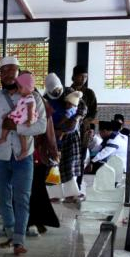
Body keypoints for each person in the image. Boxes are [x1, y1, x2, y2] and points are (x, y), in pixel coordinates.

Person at [0, 56, 46, 255]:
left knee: (22, 197)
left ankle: (19, 241)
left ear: (19, 73)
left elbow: (40, 126)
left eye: (10, 70)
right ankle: (10, 234)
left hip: (24, 157)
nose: (6, 74)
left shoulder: (34, 98)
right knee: (4, 197)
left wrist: (18, 127)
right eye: (2, 71)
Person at [45, 74, 86, 204]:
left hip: (70, 136)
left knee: (69, 165)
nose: (57, 93)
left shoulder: (69, 92)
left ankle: (71, 194)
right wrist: (54, 130)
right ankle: (54, 194)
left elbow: (83, 107)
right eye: (54, 92)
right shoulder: (44, 99)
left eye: (58, 90)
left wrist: (76, 118)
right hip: (53, 136)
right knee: (53, 165)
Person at [30, 88, 61, 235]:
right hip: (34, 155)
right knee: (35, 189)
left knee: (35, 190)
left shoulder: (40, 105)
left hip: (36, 155)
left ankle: (36, 220)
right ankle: (37, 220)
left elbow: (49, 132)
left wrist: (54, 152)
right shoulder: (28, 102)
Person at [0, 72, 37, 160]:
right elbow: (16, 107)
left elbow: (30, 109)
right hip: (19, 116)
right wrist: (8, 114)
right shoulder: (23, 97)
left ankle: (24, 150)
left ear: (28, 88)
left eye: (20, 87)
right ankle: (3, 137)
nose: (18, 90)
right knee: (6, 121)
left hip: (25, 117)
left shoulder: (30, 98)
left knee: (21, 133)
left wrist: (29, 120)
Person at [71, 65, 98, 148]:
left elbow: (94, 111)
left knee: (83, 150)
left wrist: (87, 121)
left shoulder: (90, 93)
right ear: (74, 76)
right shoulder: (68, 91)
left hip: (84, 128)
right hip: (70, 126)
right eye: (81, 76)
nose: (83, 79)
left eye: (85, 77)